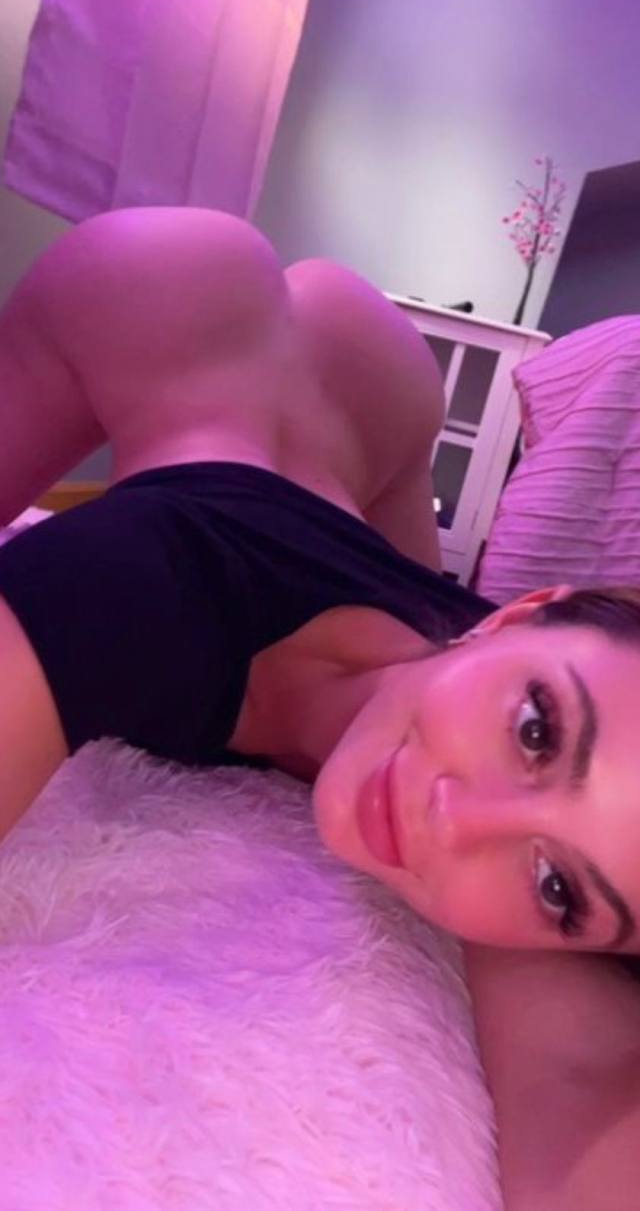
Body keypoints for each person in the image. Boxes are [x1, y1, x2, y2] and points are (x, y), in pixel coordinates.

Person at [0, 205, 639, 1207]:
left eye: (559, 886)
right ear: (519, 612)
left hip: (370, 410)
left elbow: (585, 1098)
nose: (458, 822)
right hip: (166, 295)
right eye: (536, 731)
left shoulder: (528, 821)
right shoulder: (139, 583)